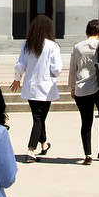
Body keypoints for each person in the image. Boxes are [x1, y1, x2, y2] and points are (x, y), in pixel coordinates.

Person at [9, 15, 62, 162]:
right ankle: (31, 150)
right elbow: (57, 69)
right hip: (46, 87)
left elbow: (21, 65)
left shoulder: (27, 45)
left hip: (31, 87)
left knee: (38, 117)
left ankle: (43, 144)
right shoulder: (53, 46)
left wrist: (17, 79)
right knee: (39, 118)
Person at [68, 20, 99, 164]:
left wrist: (72, 87)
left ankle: (87, 155)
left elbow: (73, 69)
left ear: (86, 32)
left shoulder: (77, 47)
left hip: (82, 88)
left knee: (86, 121)